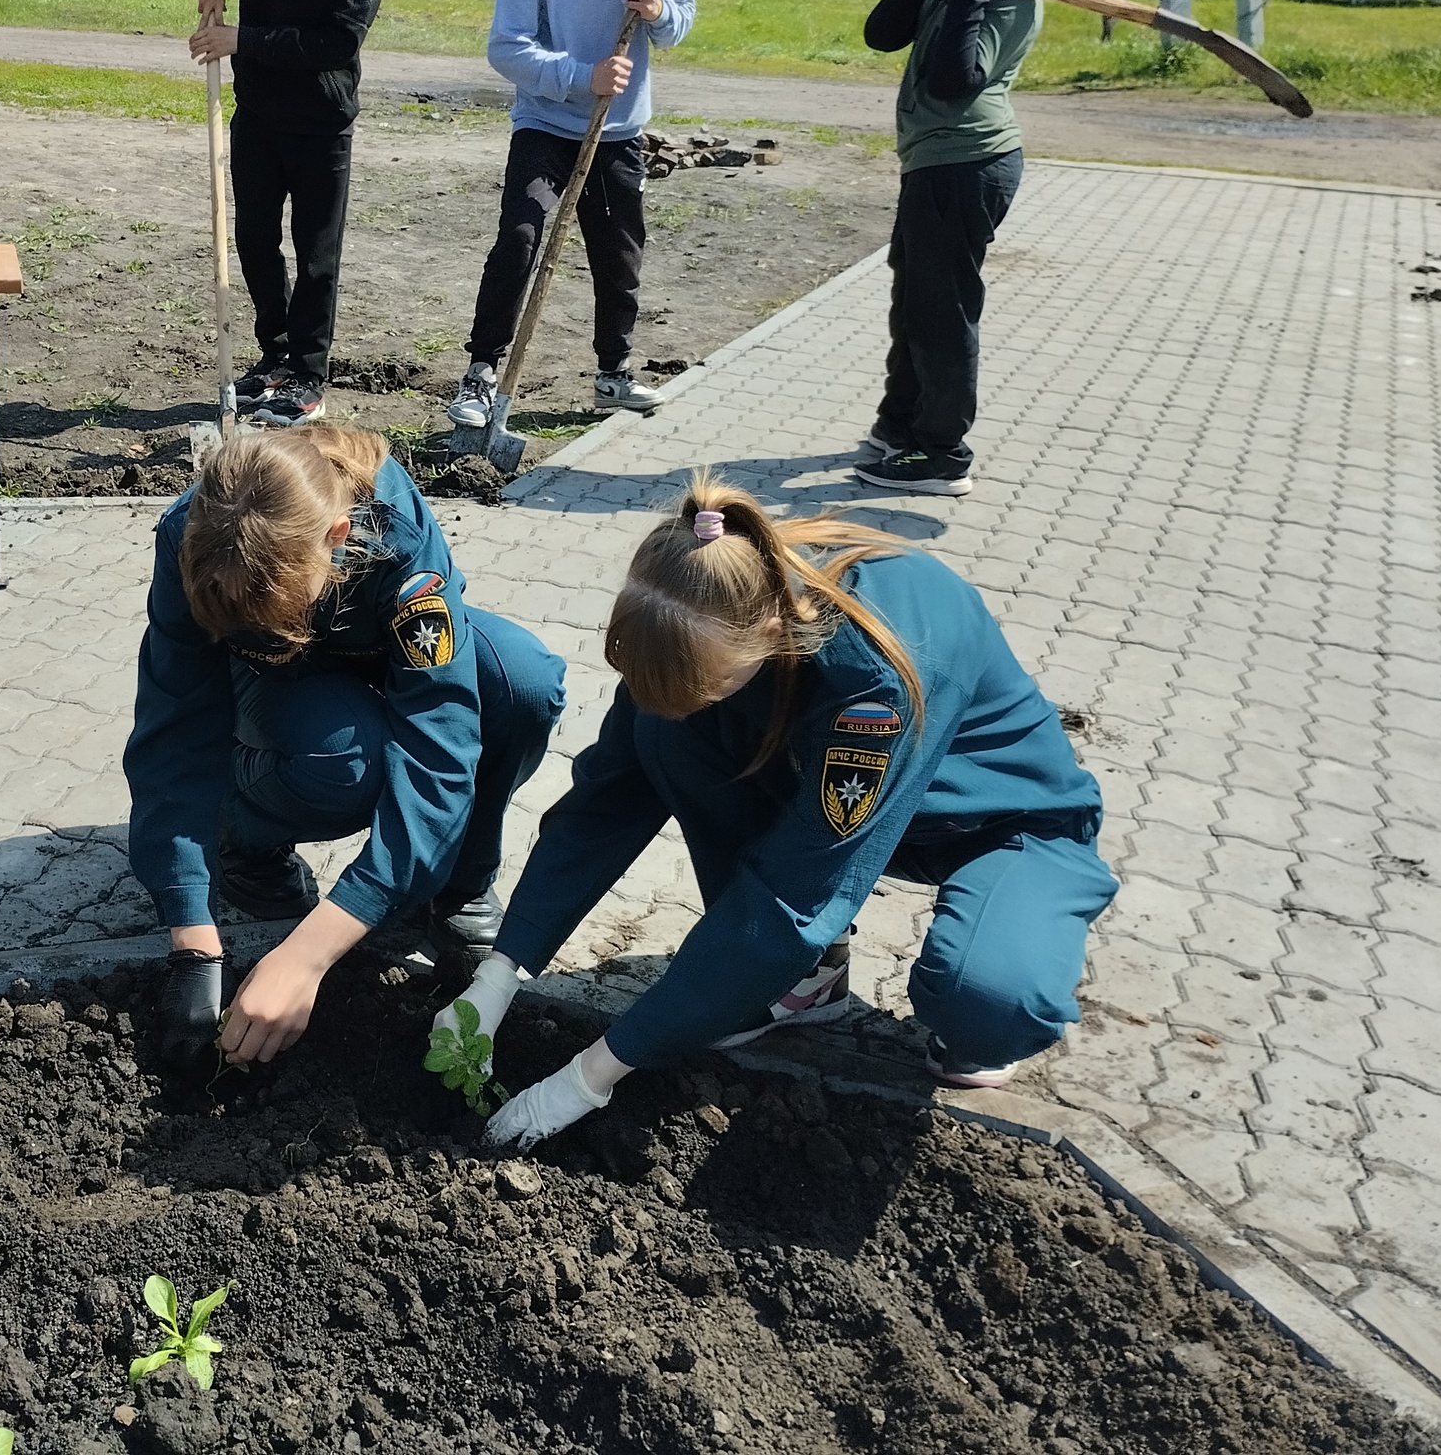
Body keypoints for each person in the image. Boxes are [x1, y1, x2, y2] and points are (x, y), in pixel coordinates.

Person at [434, 474, 1115, 1152]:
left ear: (767, 631)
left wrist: (590, 1077)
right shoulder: (700, 603)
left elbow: (795, 895)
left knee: (985, 1001)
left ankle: (987, 975)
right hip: (829, 792)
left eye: (710, 685)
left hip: (992, 825)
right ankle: (808, 983)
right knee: (665, 734)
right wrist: (499, 977)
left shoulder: (873, 678)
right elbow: (604, 800)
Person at [125, 426, 566, 1079]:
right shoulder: (190, 537)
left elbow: (440, 746)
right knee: (349, 760)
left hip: (373, 652)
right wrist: (192, 937)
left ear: (337, 537)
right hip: (273, 674)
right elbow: (175, 729)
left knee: (522, 684)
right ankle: (242, 838)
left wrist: (309, 954)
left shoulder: (397, 539)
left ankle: (454, 887)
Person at [449, 0, 696, 434]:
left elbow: (680, 25)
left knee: (618, 254)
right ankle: (480, 373)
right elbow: (505, 47)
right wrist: (579, 77)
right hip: (544, 125)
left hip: (618, 133)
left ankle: (612, 372)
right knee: (521, 237)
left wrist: (659, 10)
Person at [171, 0, 394, 429]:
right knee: (256, 240)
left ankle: (308, 374)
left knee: (317, 255)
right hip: (260, 119)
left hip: (324, 126)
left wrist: (239, 38)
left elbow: (335, 44)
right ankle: (274, 357)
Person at [851, 0, 1056, 496]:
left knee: (943, 311)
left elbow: (951, 83)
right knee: (913, 301)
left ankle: (941, 451)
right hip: (933, 166)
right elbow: (881, 34)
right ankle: (902, 424)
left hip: (968, 166)